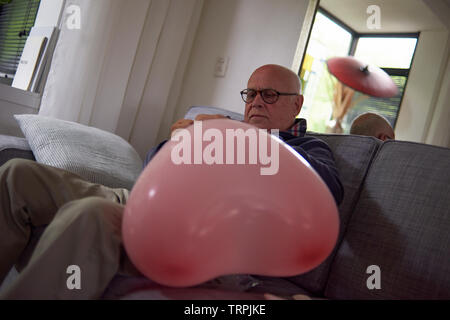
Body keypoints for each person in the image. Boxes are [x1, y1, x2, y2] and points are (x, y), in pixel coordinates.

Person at [0, 64, 343, 299]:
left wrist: (248, 139)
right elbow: (152, 170)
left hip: (197, 233)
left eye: (268, 95)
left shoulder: (307, 147)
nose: (255, 102)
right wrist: (178, 143)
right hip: (139, 200)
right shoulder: (219, 130)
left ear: (296, 104)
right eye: (250, 93)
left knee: (92, 214)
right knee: (18, 174)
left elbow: (328, 189)